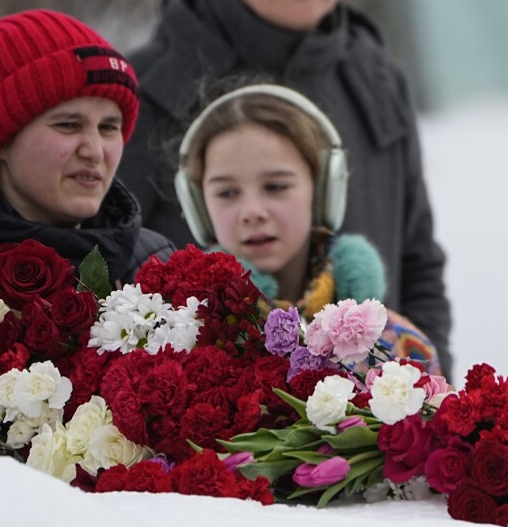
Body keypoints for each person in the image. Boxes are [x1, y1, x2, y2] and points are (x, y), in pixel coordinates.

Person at [118, 0, 452, 375]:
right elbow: (107, 272)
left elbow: (418, 263)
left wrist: (428, 404)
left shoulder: (378, 78)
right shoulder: (148, 87)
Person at [177, 80, 440, 372]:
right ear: (198, 207)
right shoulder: (177, 343)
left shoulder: (403, 349)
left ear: (324, 192)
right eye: (227, 193)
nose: (252, 212)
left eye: (275, 186)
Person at [0, 9, 171, 281]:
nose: (95, 151)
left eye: (109, 127)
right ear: (2, 141)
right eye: (68, 125)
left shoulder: (154, 266)